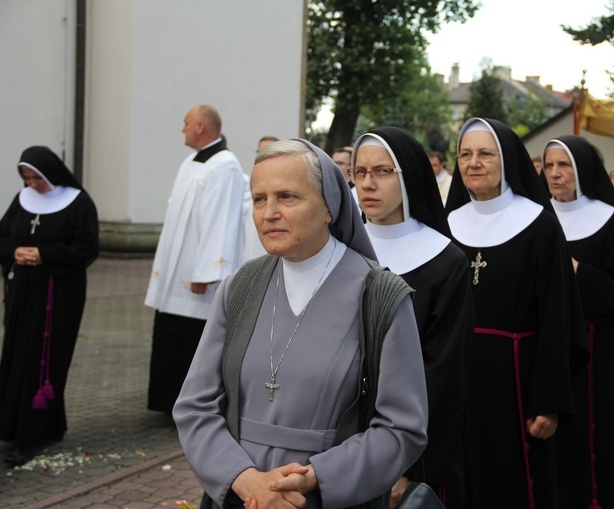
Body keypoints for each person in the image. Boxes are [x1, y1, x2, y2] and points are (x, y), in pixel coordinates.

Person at [173, 139, 428, 509]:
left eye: (287, 197)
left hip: (329, 498)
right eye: (259, 199)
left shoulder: (380, 297)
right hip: (238, 497)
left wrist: (314, 479)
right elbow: (195, 406)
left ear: (329, 207)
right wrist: (246, 482)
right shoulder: (239, 288)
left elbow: (401, 428)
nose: (268, 213)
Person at [444, 117, 588, 508]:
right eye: (465, 154)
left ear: (506, 158)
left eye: (485, 154)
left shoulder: (539, 224)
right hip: (455, 378)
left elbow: (559, 318)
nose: (473, 163)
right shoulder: (447, 226)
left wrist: (550, 400)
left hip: (518, 384)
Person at [353, 127, 474, 506]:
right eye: (359, 173)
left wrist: (410, 466)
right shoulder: (340, 250)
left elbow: (443, 376)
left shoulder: (445, 261)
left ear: (410, 177)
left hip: (411, 450)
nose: (368, 184)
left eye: (382, 172)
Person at [542, 135, 614, 509]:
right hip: (544, 347)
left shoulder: (607, 219)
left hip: (593, 352)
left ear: (583, 170)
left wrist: (578, 273)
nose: (555, 174)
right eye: (549, 166)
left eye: (565, 166)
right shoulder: (535, 216)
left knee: (589, 443)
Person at [145, 105, 250, 414]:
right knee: (170, 334)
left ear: (201, 127)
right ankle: (166, 400)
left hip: (197, 279)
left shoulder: (225, 165)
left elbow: (221, 220)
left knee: (190, 339)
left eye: (186, 123)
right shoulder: (192, 161)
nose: (183, 129)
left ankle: (191, 404)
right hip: (178, 270)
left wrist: (206, 272)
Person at [0, 146, 99, 467]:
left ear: (51, 173)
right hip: (22, 291)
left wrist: (44, 255)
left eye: (36, 178)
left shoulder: (78, 202)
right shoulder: (22, 200)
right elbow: (2, 236)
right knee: (17, 355)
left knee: (44, 359)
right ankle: (47, 424)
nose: (32, 184)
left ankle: (27, 436)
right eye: (26, 178)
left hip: (59, 295)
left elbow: (87, 247)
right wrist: (15, 252)